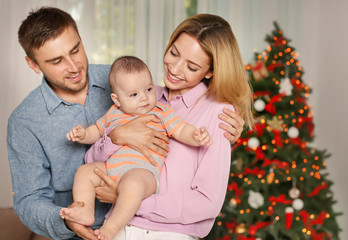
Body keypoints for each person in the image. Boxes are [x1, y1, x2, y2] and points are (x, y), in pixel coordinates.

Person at [7, 7, 243, 240]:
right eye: (57, 60)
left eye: (76, 50)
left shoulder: (132, 82)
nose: (73, 66)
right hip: (80, 233)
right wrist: (116, 136)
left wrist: (228, 126)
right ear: (34, 65)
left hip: (148, 225)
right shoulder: (24, 123)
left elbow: (203, 189)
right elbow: (31, 199)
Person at [93, 13, 254, 240]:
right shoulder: (145, 96)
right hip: (116, 229)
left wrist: (131, 200)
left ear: (210, 72)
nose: (175, 69)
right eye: (174, 53)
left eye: (191, 66)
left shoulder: (218, 113)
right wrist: (117, 136)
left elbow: (207, 203)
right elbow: (92, 162)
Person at [60, 55, 213, 240]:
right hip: (111, 170)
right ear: (117, 100)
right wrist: (83, 134)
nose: (144, 98)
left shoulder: (160, 111)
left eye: (149, 89)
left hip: (143, 172)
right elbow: (97, 131)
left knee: (132, 186)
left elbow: (180, 128)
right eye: (134, 94)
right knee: (85, 172)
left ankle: (110, 228)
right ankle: (84, 209)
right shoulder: (113, 113)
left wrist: (195, 136)